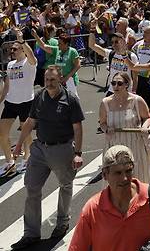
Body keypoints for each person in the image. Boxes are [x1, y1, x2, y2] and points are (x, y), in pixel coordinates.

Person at [11, 66, 84, 249]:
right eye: (46, 79)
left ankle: (62, 223)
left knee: (65, 186)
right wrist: (19, 144)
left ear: (60, 79)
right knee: (32, 188)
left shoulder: (71, 99)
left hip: (62, 149)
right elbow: (30, 121)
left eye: (52, 79)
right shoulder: (39, 96)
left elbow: (78, 128)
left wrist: (78, 154)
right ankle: (31, 234)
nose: (49, 83)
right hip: (40, 149)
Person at [68, 145, 150, 251]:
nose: (124, 178)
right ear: (105, 175)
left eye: (128, 171)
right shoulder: (92, 209)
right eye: (118, 173)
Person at [99, 72, 150, 184]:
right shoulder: (105, 103)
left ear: (127, 84)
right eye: (113, 83)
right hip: (115, 146)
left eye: (119, 83)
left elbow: (147, 118)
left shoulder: (137, 100)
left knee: (139, 177)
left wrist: (145, 126)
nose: (115, 86)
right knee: (117, 181)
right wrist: (106, 129)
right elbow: (102, 123)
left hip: (135, 145)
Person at [0, 28, 37, 176]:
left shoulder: (29, 63)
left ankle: (28, 159)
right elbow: (7, 85)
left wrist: (21, 39)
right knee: (2, 133)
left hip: (26, 102)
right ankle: (9, 162)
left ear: (22, 49)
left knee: (26, 134)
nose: (12, 51)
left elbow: (32, 56)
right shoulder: (10, 65)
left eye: (15, 49)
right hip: (11, 102)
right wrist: (1, 99)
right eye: (11, 49)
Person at [88, 24, 138, 95]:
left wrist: (133, 92)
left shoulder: (132, 56)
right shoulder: (110, 54)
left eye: (116, 42)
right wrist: (92, 30)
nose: (114, 44)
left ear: (123, 42)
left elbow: (135, 77)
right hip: (112, 90)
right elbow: (92, 45)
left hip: (126, 91)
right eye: (112, 42)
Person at [31, 31, 81, 97]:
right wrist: (35, 36)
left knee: (71, 100)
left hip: (69, 80)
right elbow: (44, 46)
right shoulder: (57, 50)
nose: (58, 45)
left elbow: (77, 66)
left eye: (60, 43)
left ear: (66, 44)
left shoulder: (73, 51)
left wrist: (66, 77)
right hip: (59, 80)